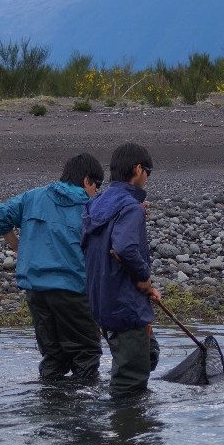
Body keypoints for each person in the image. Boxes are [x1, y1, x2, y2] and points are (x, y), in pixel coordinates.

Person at [0, 153, 105, 380]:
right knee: (86, 353)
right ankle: (82, 409)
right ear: (86, 181)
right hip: (73, 291)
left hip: (37, 292)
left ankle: (50, 406)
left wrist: (18, 248)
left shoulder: (33, 196)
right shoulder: (90, 208)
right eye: (97, 186)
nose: (98, 192)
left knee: (54, 356)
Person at [82, 143, 161, 398]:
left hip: (103, 301)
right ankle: (126, 434)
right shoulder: (130, 207)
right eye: (148, 171)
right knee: (130, 386)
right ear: (138, 169)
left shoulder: (95, 203)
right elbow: (125, 248)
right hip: (125, 306)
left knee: (147, 355)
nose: (147, 178)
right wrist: (144, 278)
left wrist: (145, 288)